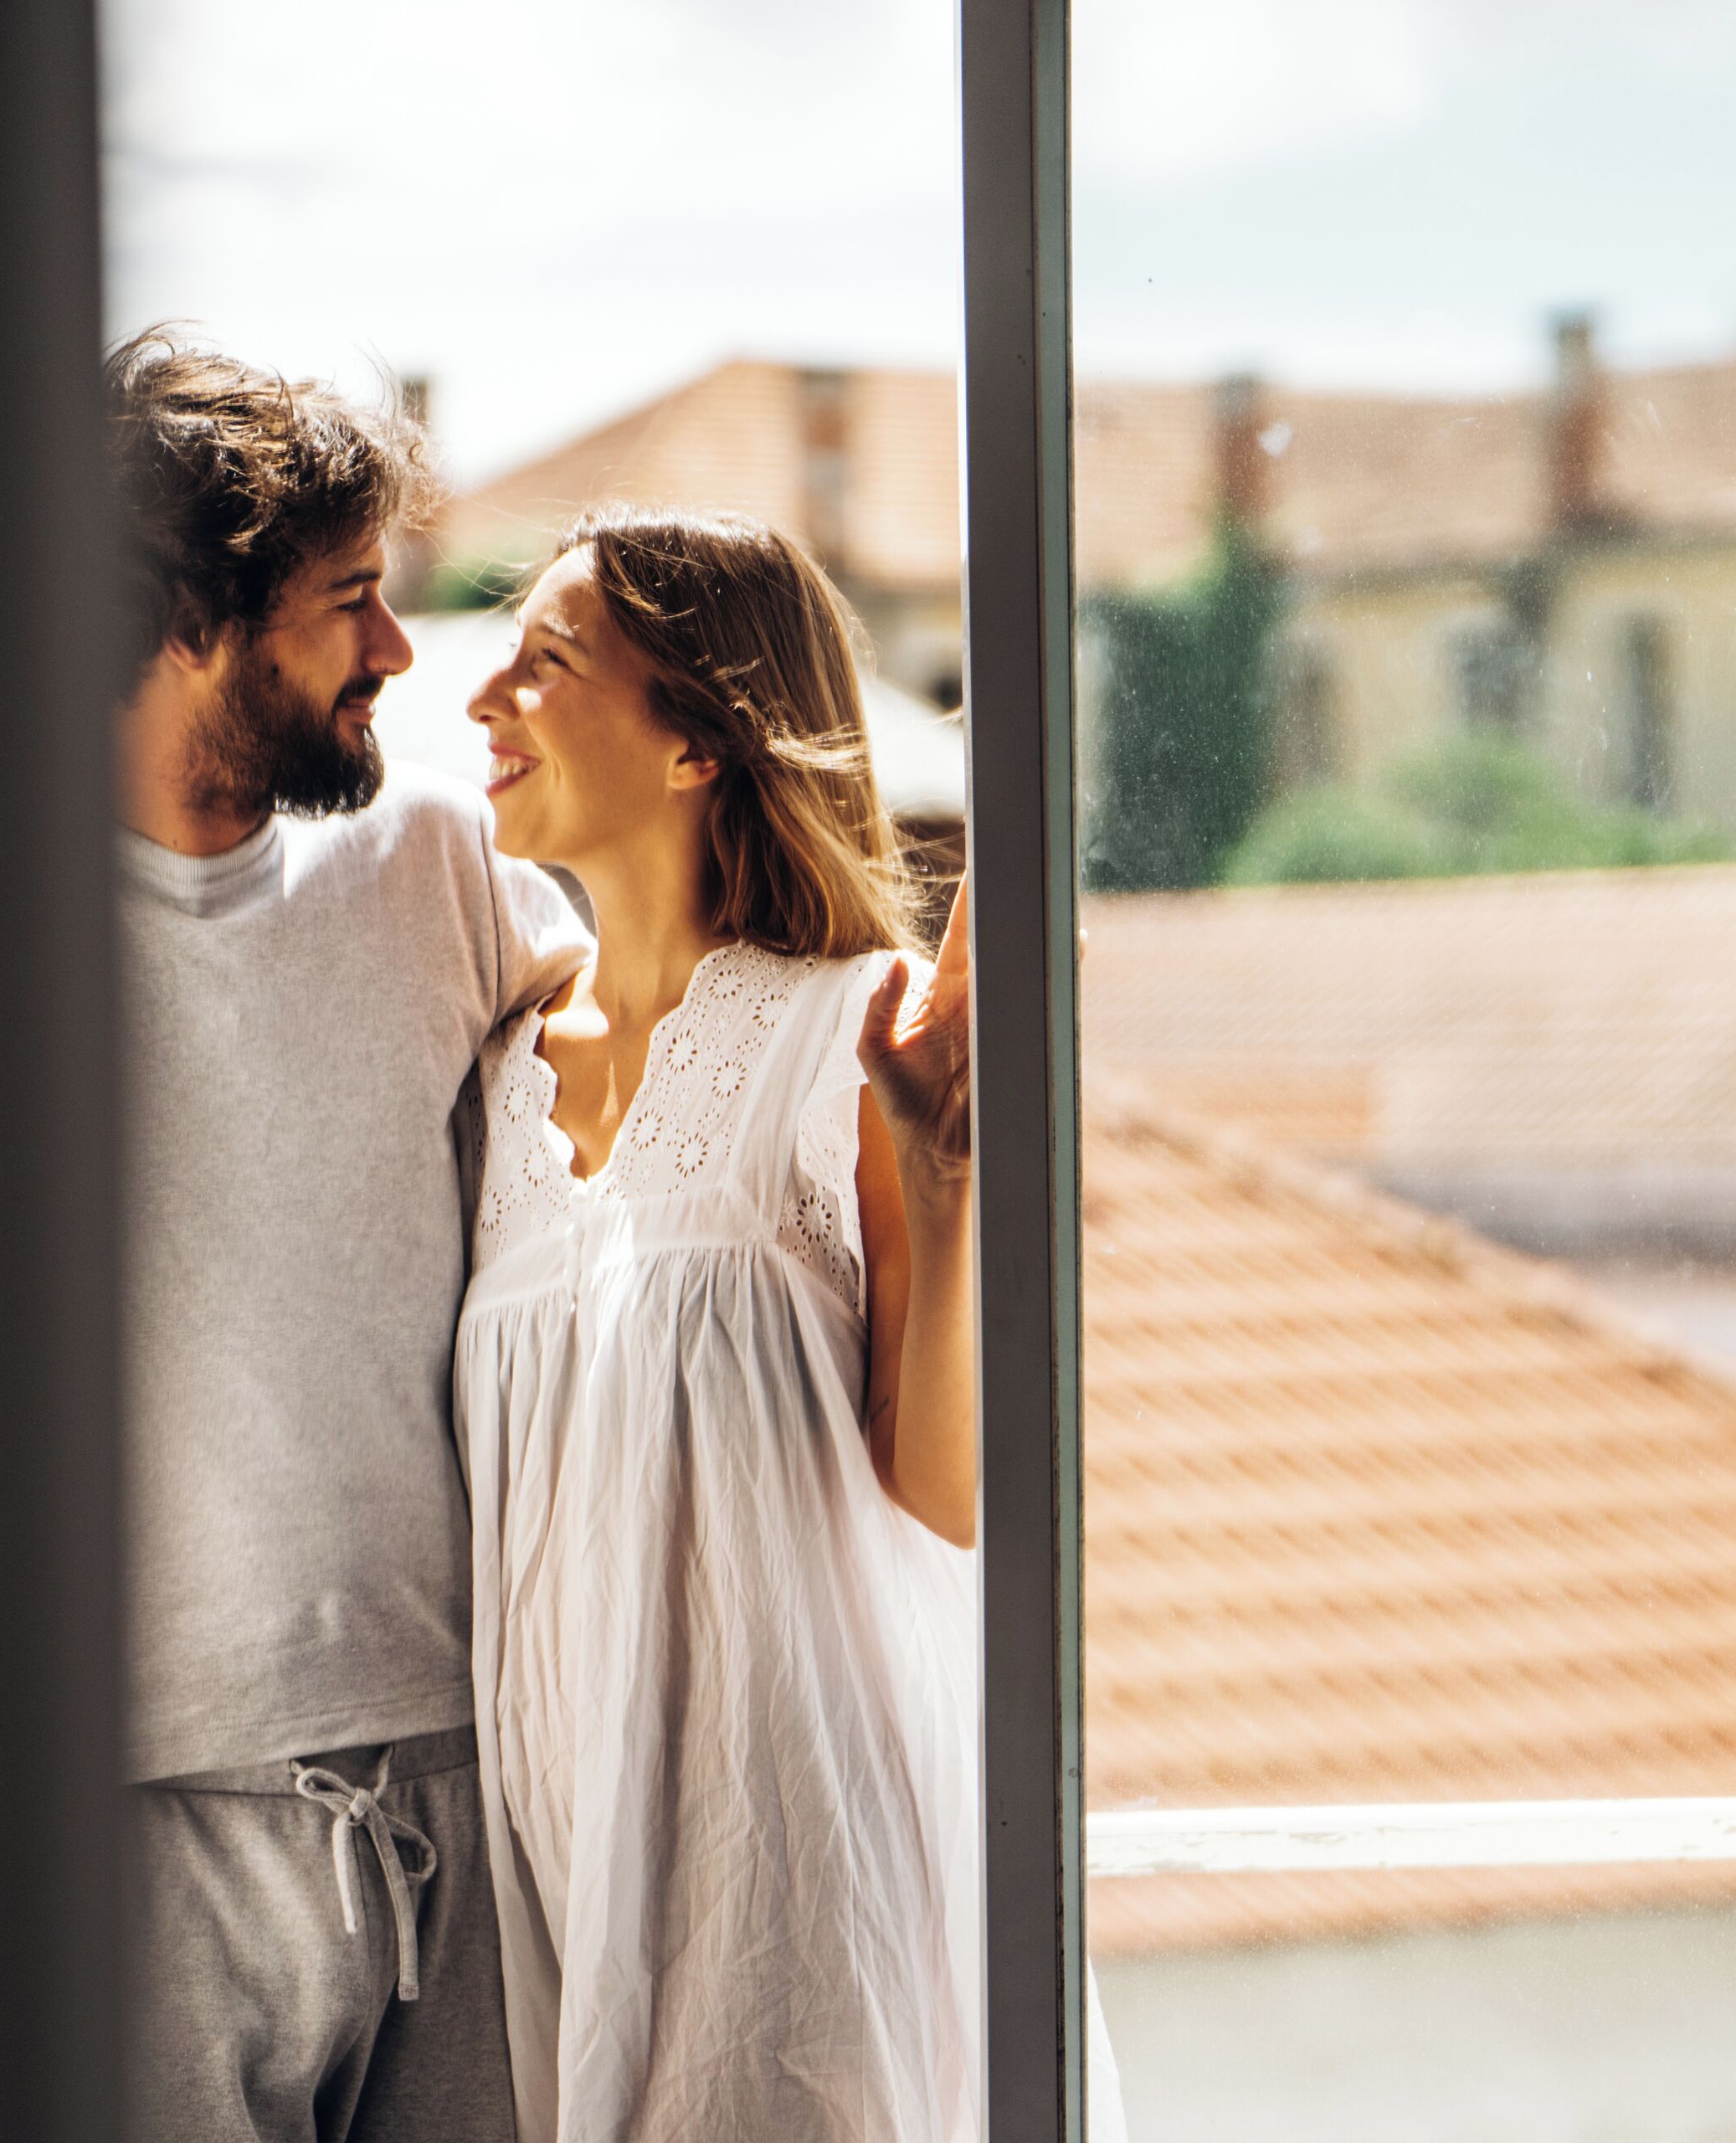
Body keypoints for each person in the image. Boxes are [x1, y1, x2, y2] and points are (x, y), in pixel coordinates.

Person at [455, 511, 1123, 2143]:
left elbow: (946, 1496)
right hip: (565, 1891)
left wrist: (945, 1181)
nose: (485, 697)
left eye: (547, 661)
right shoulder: (492, 1076)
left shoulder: (857, 1027)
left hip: (799, 1889)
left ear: (698, 738)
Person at [109, 331, 589, 2140]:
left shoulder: (438, 869)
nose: (397, 648)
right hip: (140, 1813)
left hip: (460, 1775)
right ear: (186, 616)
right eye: (349, 599)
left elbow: (677, 1063)